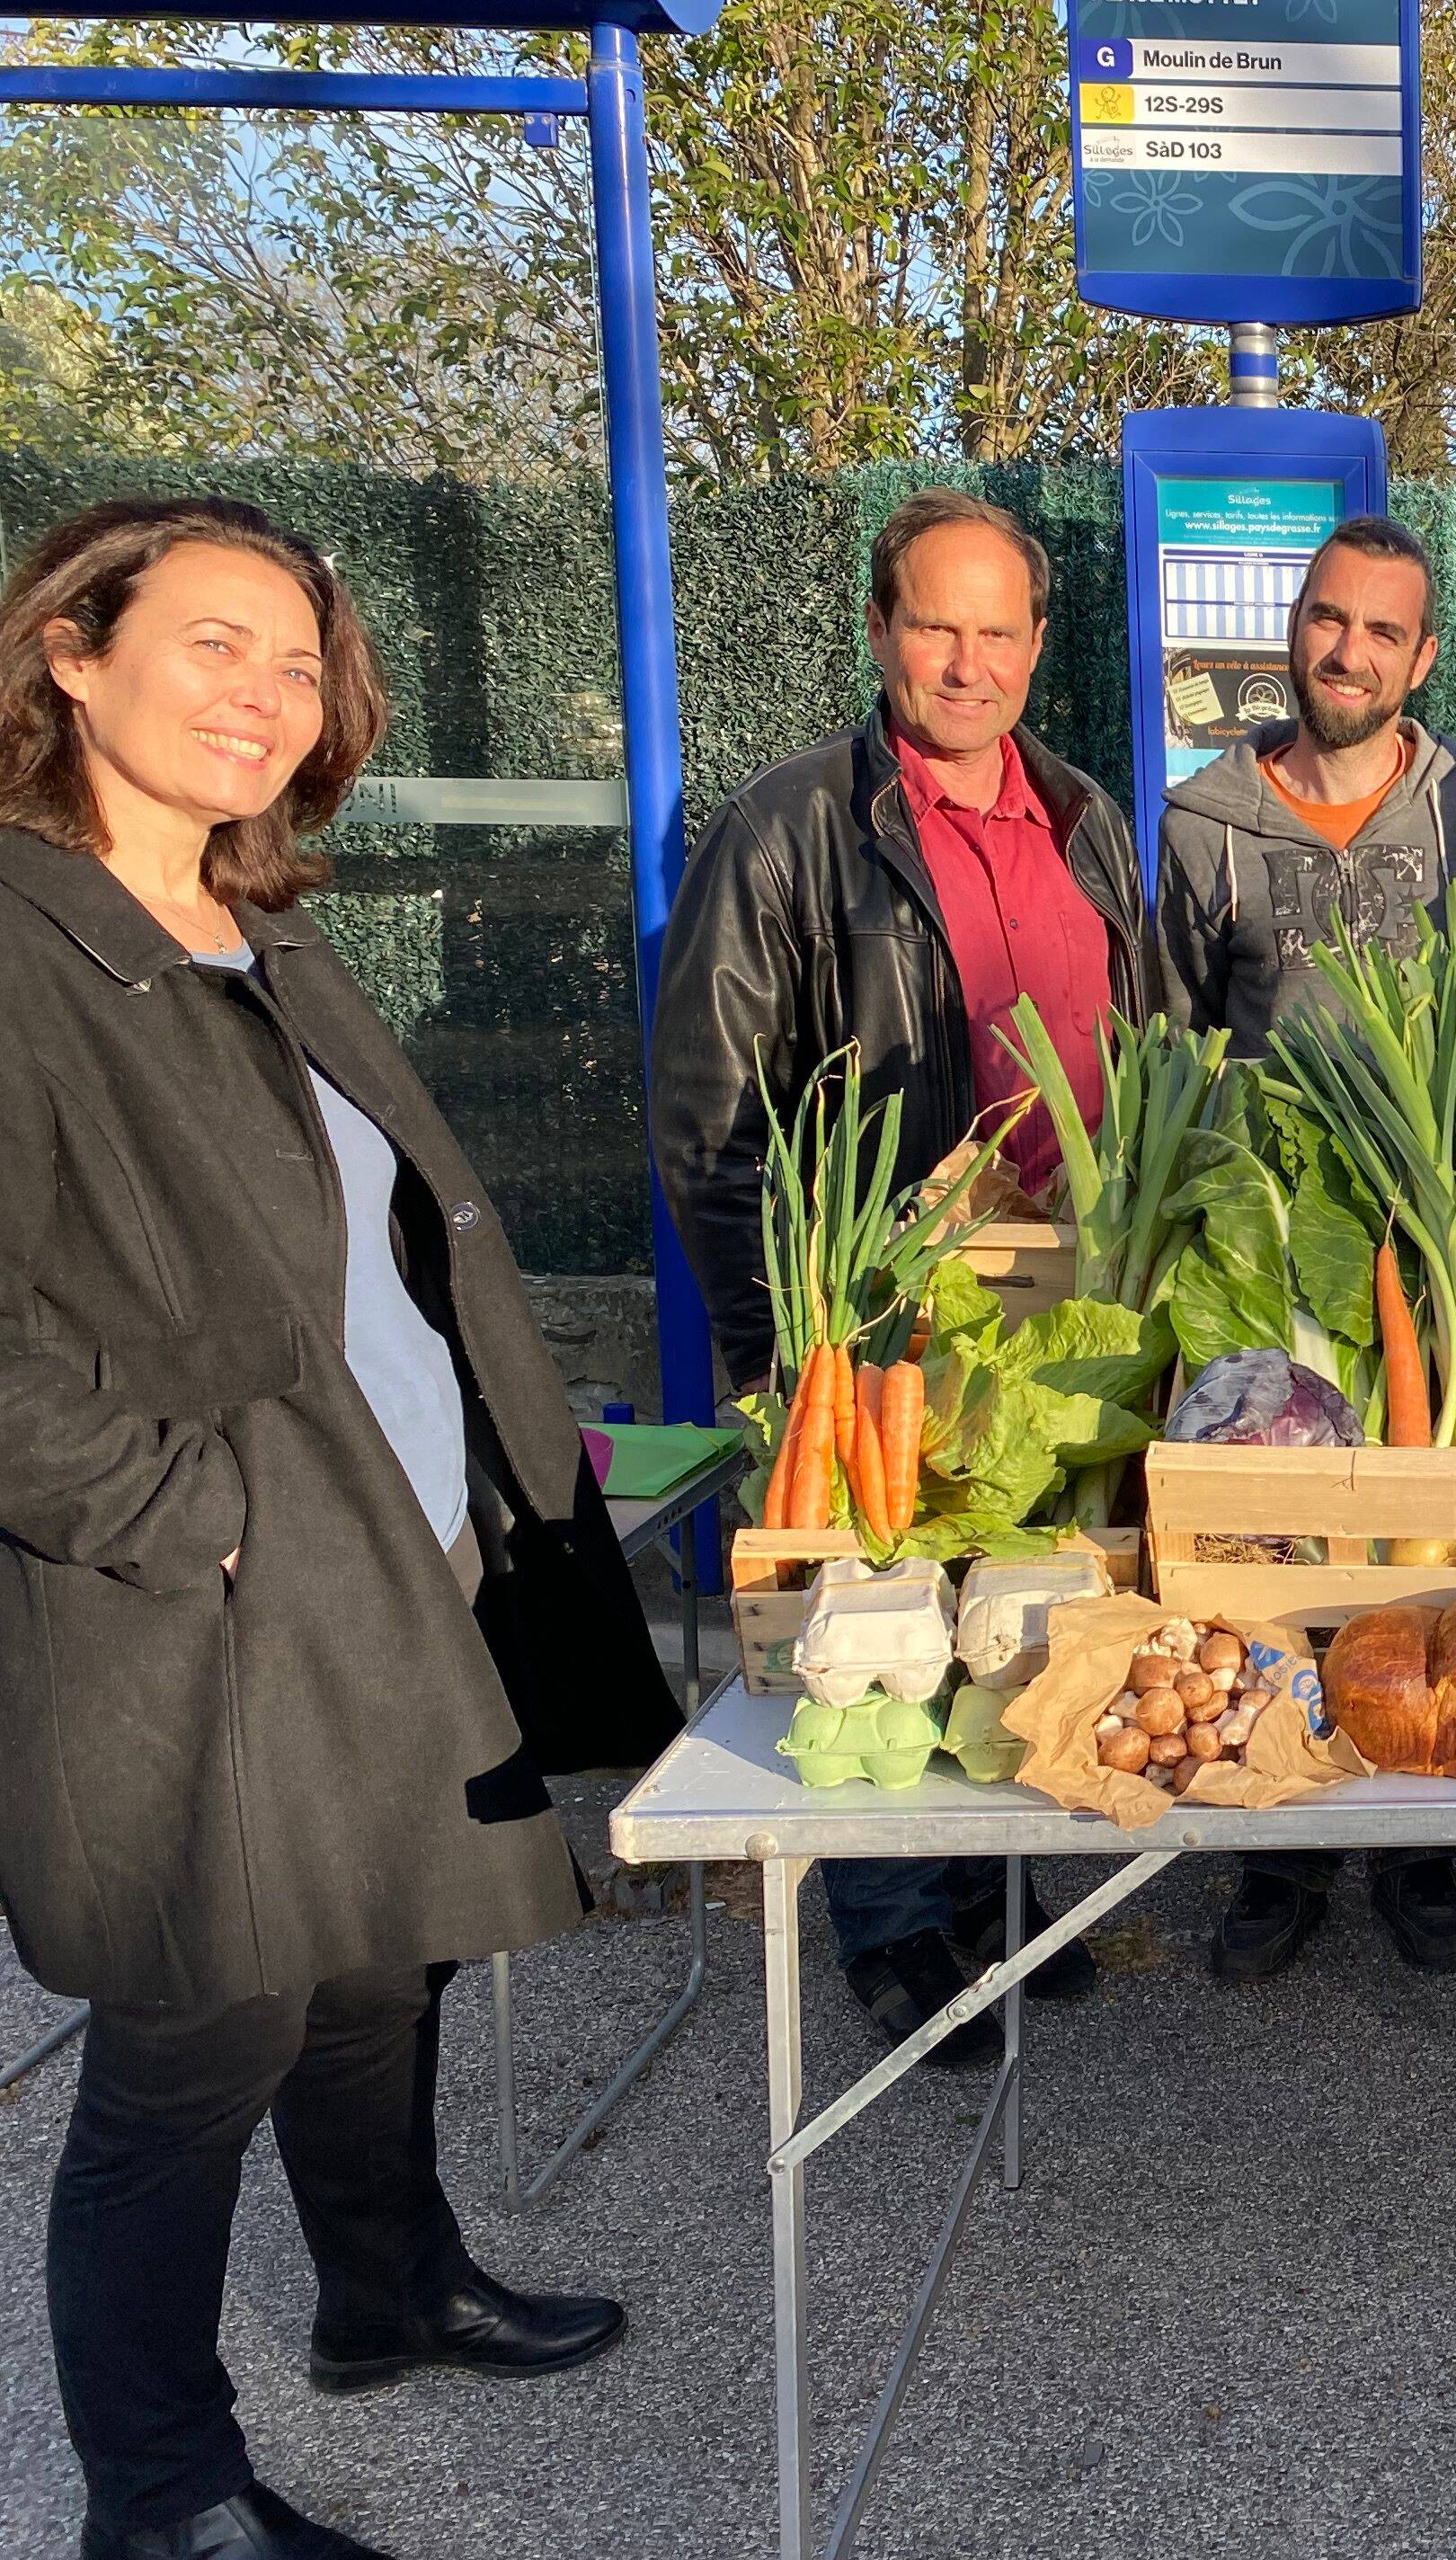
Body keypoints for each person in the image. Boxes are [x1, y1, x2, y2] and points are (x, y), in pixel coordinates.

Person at [0, 499, 680, 2560]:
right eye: (214, 646)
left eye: (296, 666)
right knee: (197, 2049)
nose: (265, 699)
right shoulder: (26, 946)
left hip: (396, 1566)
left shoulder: (253, 921)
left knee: (386, 1969)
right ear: (69, 654)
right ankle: (163, 2495)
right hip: (207, 1601)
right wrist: (185, 1513)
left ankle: (389, 2291)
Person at [652, 486, 1142, 2063]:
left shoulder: (1083, 813)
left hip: (1057, 1300)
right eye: (936, 623)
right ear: (880, 630)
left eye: (999, 630)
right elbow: (711, 1112)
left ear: (1038, 645)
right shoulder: (792, 825)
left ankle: (999, 1888)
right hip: (871, 1305)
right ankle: (888, 1924)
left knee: (1020, 1607)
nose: (966, 660)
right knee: (878, 1615)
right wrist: (788, 1348)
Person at [1152, 512, 1456, 1981]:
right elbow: (1171, 1040)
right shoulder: (1201, 822)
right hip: (1261, 1238)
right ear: (1291, 633)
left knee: (1417, 1544)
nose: (1348, 650)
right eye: (1328, 619)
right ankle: (1279, 1847)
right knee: (1277, 1549)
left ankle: (1420, 1837)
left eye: (1383, 629)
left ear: (1421, 656)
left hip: (1425, 1249)